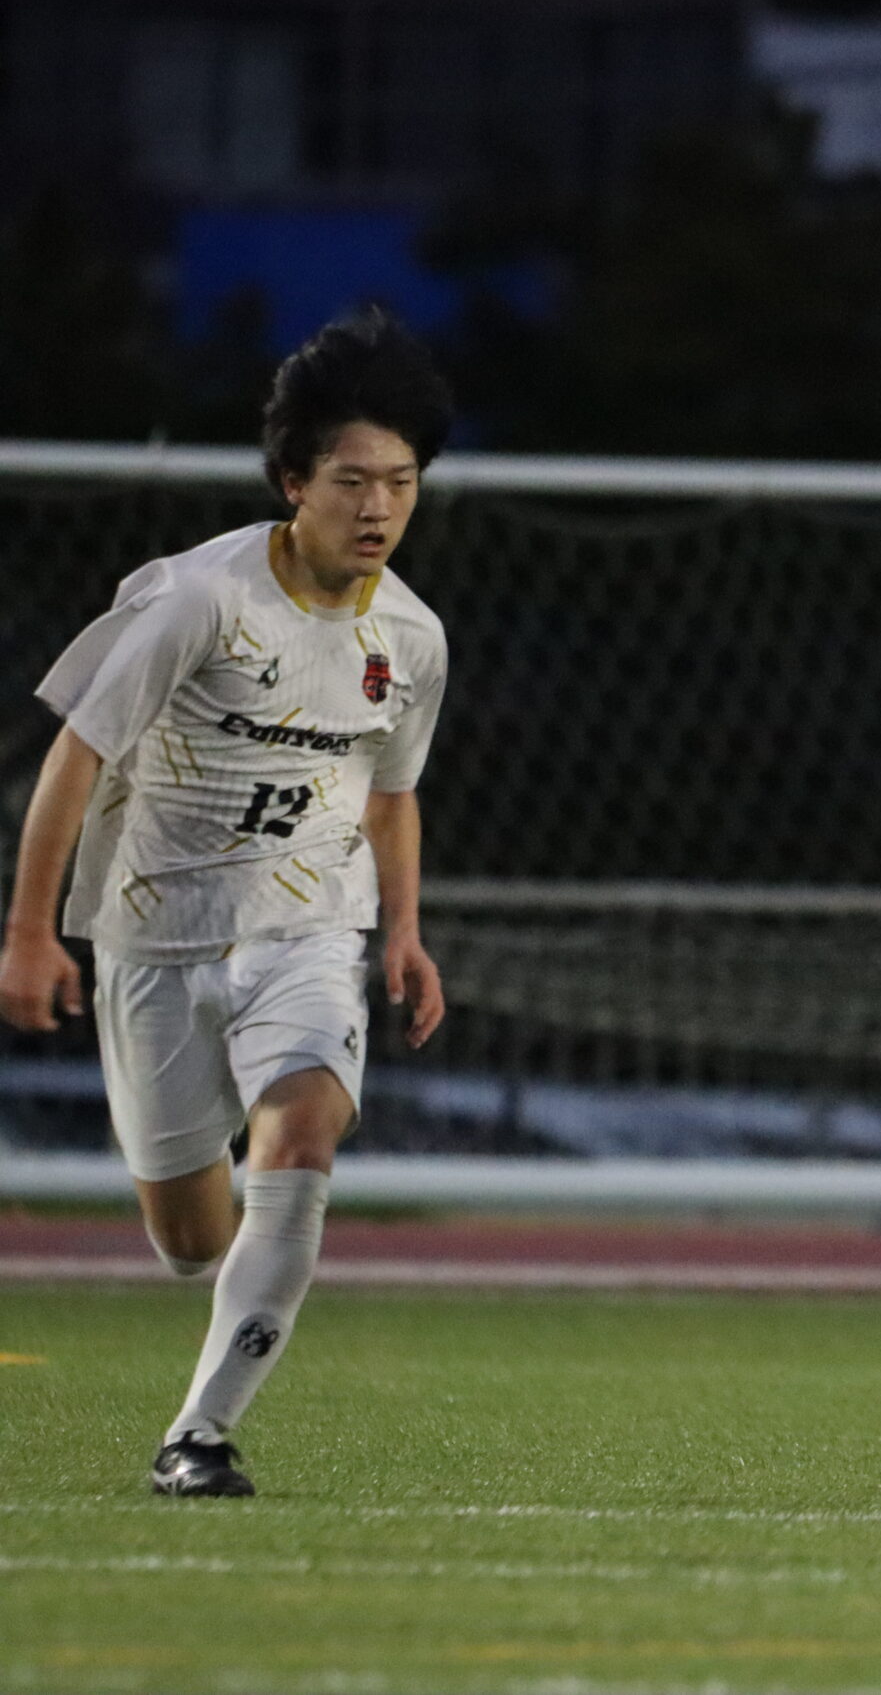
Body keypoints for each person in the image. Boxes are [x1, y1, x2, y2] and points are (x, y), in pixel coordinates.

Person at [0, 309, 454, 1497]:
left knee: (302, 1133)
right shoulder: (201, 599)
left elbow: (391, 793)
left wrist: (404, 931)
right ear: (294, 481)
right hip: (153, 944)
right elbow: (76, 757)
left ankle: (198, 1436)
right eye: (352, 480)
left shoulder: (411, 637)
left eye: (401, 482)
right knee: (191, 1241)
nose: (378, 507)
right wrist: (30, 932)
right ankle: (209, 1265)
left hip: (309, 932)